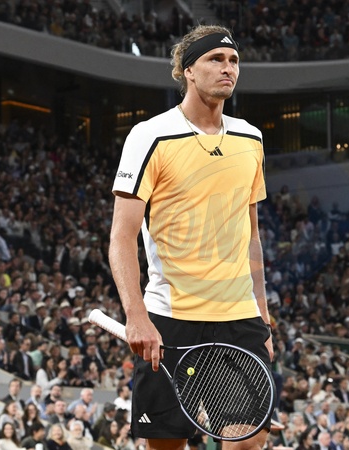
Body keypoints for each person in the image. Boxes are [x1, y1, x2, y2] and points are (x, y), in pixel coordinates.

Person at [108, 24, 272, 450]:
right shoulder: (150, 136)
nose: (228, 68)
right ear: (187, 70)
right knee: (166, 446)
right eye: (216, 59)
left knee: (249, 441)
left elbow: (251, 235)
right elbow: (122, 237)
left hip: (238, 316)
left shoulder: (251, 138)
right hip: (170, 317)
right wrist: (136, 315)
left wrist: (263, 316)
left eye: (233, 61)